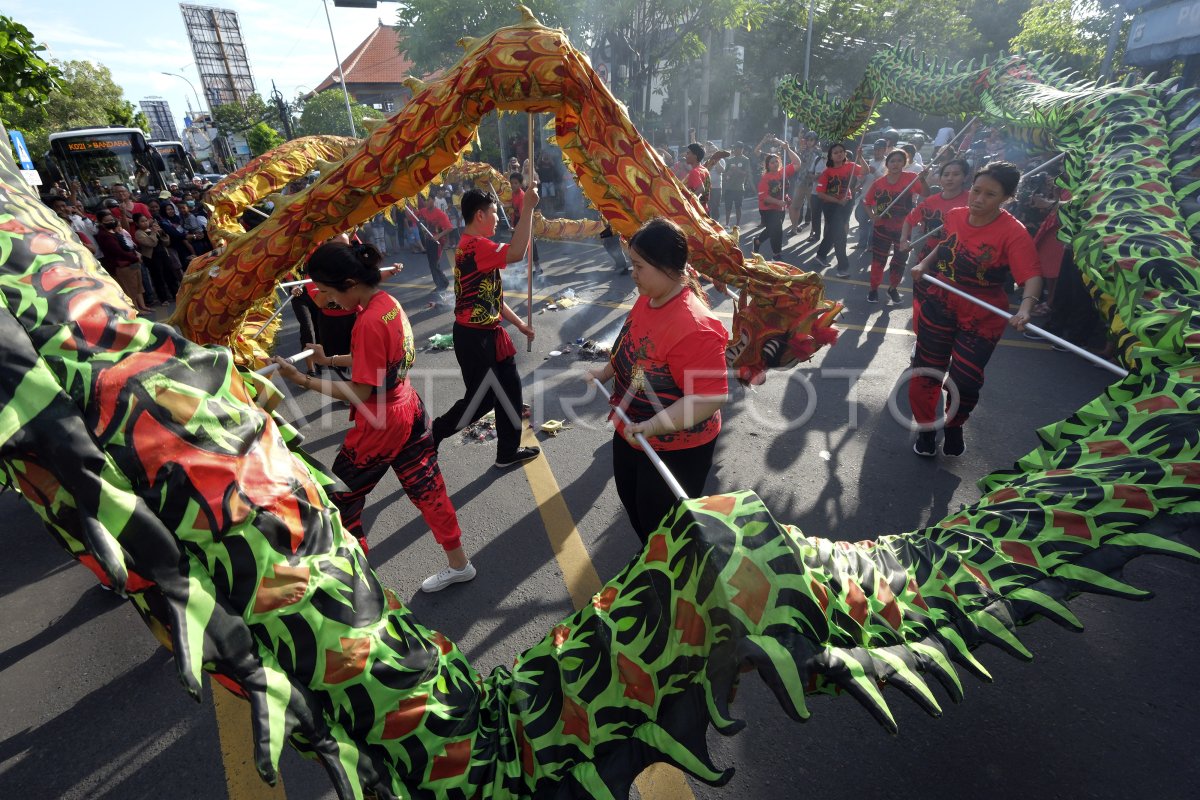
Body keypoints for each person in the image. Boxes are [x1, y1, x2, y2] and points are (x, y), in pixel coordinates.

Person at [272, 242, 475, 592]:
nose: (329, 301)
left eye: (329, 292)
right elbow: (379, 359)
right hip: (409, 407)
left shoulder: (367, 320)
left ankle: (359, 583)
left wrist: (301, 379)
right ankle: (460, 564)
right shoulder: (387, 304)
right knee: (429, 488)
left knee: (340, 500)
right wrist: (330, 360)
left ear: (350, 283)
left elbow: (361, 391)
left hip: (382, 423)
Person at [586, 218, 729, 542]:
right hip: (632, 429)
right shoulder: (647, 298)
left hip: (676, 446)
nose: (632, 273)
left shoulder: (695, 326)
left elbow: (710, 397)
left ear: (667, 267)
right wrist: (605, 373)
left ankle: (669, 580)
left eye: (638, 266)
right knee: (635, 505)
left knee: (664, 526)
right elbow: (630, 343)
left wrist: (653, 427)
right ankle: (652, 563)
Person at [909, 161, 1043, 458]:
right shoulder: (955, 215)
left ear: (1007, 198)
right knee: (926, 372)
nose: (979, 199)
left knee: (966, 380)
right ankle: (927, 429)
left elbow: (1031, 276)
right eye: (977, 191)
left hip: (982, 315)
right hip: (940, 302)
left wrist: (1025, 308)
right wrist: (925, 264)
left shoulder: (1014, 232)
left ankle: (955, 424)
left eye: (990, 195)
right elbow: (945, 244)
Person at [430, 187, 540, 468]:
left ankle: (506, 453)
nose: (497, 219)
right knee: (482, 400)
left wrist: (520, 325)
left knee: (510, 391)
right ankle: (434, 434)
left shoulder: (476, 246)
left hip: (490, 334)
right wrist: (527, 208)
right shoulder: (474, 246)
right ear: (480, 215)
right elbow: (517, 252)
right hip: (474, 339)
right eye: (493, 213)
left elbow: (492, 298)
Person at [899, 158, 970, 333]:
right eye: (946, 174)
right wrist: (903, 240)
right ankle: (920, 336)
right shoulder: (931, 201)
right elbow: (909, 220)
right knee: (921, 298)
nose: (950, 178)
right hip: (927, 257)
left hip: (957, 260)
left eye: (956, 174)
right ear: (940, 178)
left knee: (946, 305)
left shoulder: (971, 201)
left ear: (965, 177)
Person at [863, 150, 927, 304]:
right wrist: (872, 216)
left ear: (904, 163)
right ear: (887, 164)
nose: (895, 164)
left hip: (904, 229)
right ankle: (873, 289)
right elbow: (866, 202)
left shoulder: (912, 178)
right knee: (879, 260)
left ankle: (893, 288)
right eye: (892, 161)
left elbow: (925, 193)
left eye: (899, 160)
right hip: (882, 228)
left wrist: (923, 180)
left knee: (899, 261)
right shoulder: (879, 183)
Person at [814, 142, 866, 277]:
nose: (839, 154)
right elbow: (820, 193)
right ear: (831, 156)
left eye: (841, 151)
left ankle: (820, 254)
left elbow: (865, 171)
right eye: (835, 152)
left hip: (846, 204)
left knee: (833, 231)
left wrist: (860, 157)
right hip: (831, 205)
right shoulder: (827, 172)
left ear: (845, 154)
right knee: (840, 235)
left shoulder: (851, 166)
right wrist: (837, 200)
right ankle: (843, 267)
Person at [94, 209, 152, 312]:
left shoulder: (115, 231)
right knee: (130, 289)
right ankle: (136, 309)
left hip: (132, 262)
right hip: (123, 265)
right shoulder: (104, 235)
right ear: (100, 222)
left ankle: (143, 307)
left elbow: (127, 245)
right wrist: (135, 257)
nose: (110, 222)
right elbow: (118, 252)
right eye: (107, 221)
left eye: (111, 219)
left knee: (138, 286)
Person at [751, 137, 801, 257]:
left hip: (780, 208)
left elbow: (797, 163)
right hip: (767, 209)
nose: (775, 164)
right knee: (777, 230)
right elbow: (765, 197)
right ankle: (777, 254)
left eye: (776, 161)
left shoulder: (783, 172)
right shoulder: (765, 178)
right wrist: (779, 202)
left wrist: (787, 149)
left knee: (771, 230)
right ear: (767, 165)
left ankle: (757, 241)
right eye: (772, 162)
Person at [415, 193, 452, 291]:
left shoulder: (440, 213)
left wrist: (438, 236)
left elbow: (449, 228)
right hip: (428, 240)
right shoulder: (423, 211)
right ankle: (440, 283)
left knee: (434, 263)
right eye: (425, 200)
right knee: (432, 263)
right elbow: (414, 215)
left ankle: (443, 283)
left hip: (438, 242)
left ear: (433, 200)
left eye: (428, 200)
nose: (426, 202)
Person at [509, 172, 542, 275]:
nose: (513, 185)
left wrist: (516, 229)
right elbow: (513, 208)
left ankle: (537, 267)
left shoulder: (522, 196)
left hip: (525, 222)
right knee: (517, 245)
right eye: (512, 183)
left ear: (520, 184)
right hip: (516, 222)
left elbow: (523, 215)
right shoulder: (512, 194)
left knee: (530, 245)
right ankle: (520, 266)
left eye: (516, 183)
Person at [723, 142, 751, 227]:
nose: (734, 150)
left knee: (738, 207)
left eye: (736, 148)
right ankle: (727, 224)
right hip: (729, 188)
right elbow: (724, 174)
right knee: (728, 207)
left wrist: (737, 170)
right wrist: (728, 173)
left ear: (741, 149)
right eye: (734, 148)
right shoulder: (730, 160)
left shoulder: (746, 160)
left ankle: (737, 225)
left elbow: (746, 173)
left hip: (739, 188)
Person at [682, 142, 711, 209]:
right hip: (704, 209)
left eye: (688, 153)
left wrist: (688, 202)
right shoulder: (704, 169)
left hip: (697, 211)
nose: (685, 156)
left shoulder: (694, 172)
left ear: (695, 156)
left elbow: (701, 189)